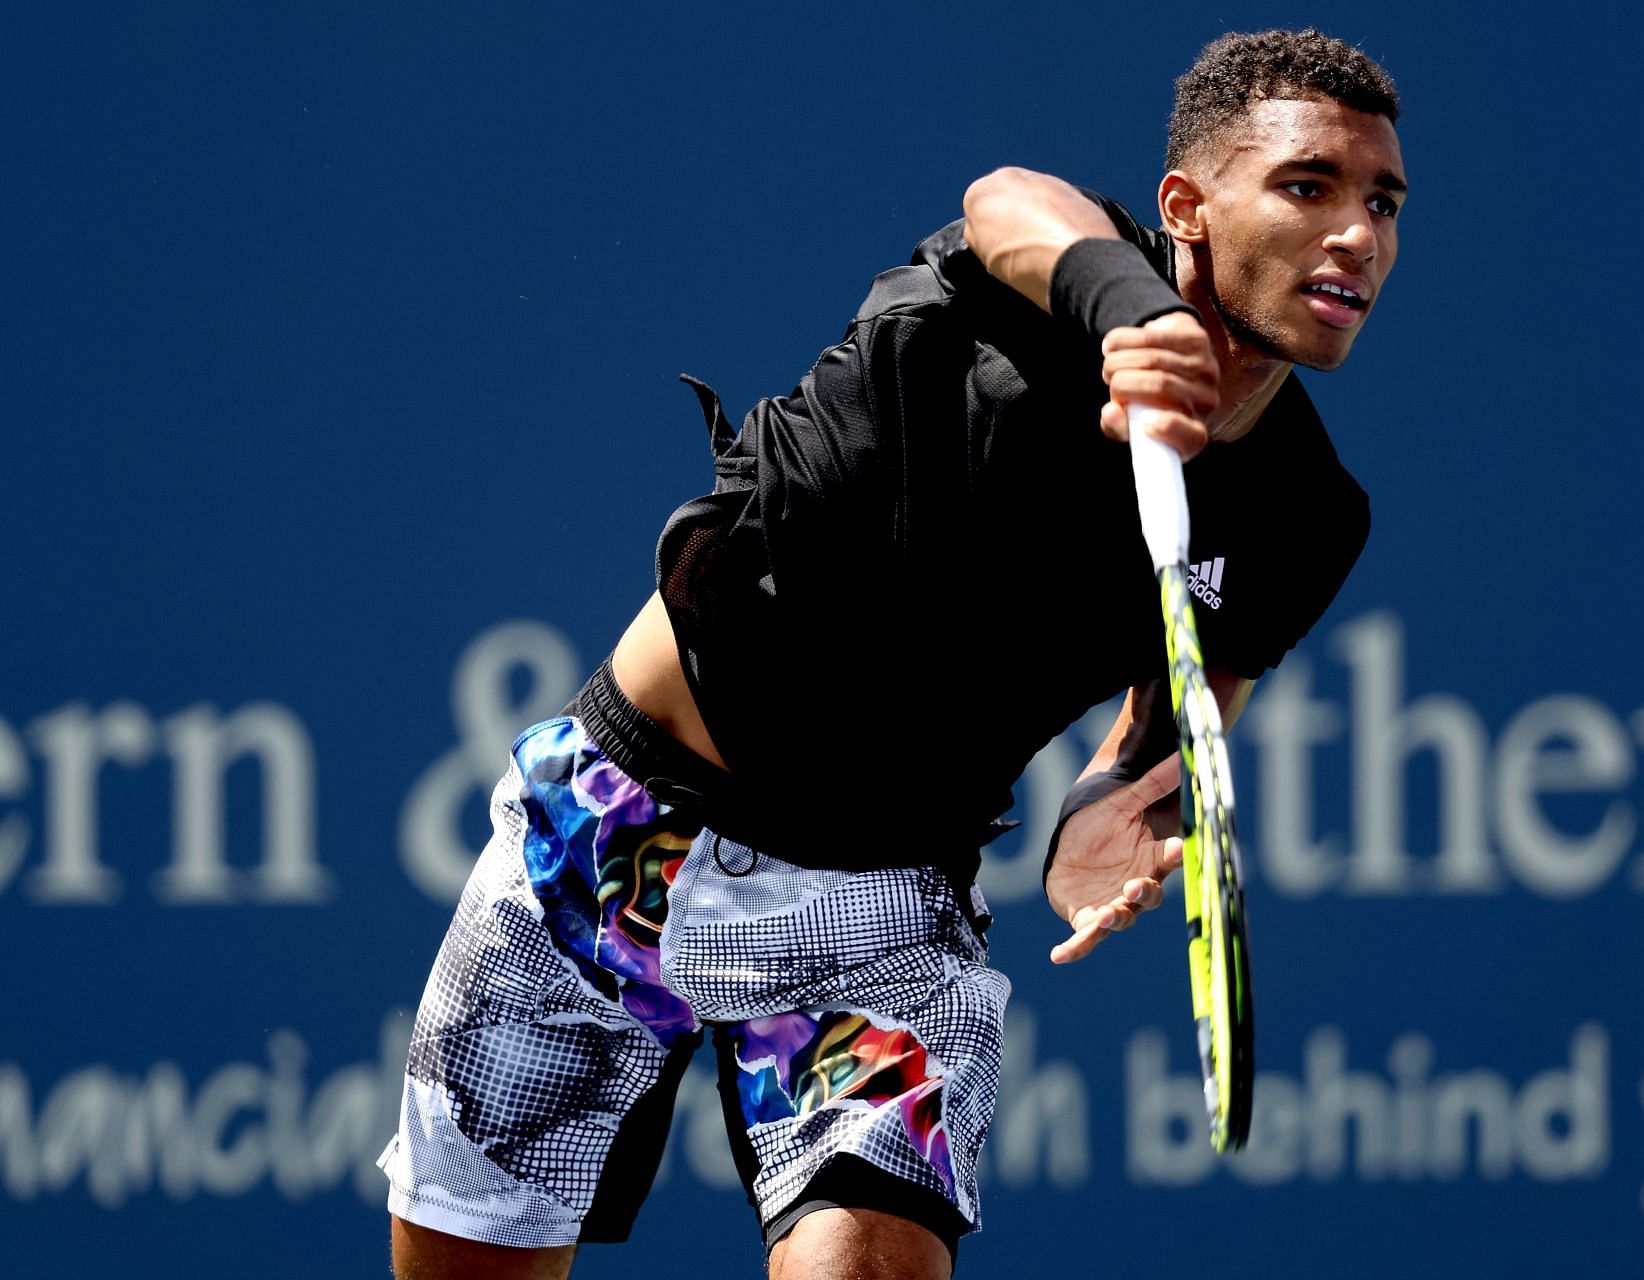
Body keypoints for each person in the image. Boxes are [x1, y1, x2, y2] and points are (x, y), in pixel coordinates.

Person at [381, 27, 1405, 1280]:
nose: (1357, 233)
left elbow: (1178, 709)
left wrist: (1115, 798)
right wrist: (1131, 314)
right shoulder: (1032, 279)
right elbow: (1005, 202)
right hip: (613, 837)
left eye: (1382, 202)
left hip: (883, 915)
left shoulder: (1311, 517)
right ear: (1186, 207)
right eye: (1309, 187)